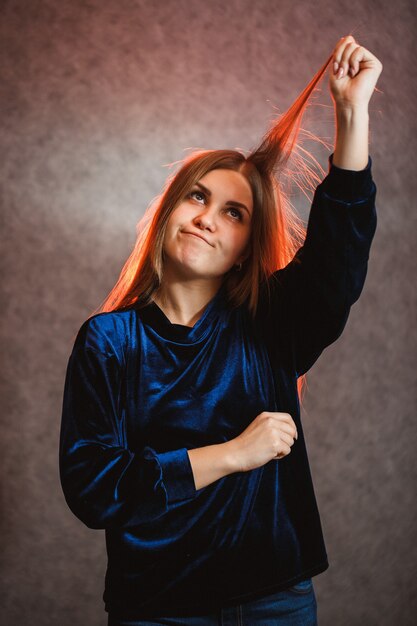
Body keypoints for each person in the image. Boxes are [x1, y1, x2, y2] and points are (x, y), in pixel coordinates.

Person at [59, 35, 382, 625]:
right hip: (156, 609)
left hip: (274, 604)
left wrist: (351, 113)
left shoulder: (271, 324)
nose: (208, 218)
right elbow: (93, 487)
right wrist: (232, 455)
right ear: (168, 214)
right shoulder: (108, 342)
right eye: (197, 197)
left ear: (243, 251)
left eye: (234, 213)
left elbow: (338, 259)